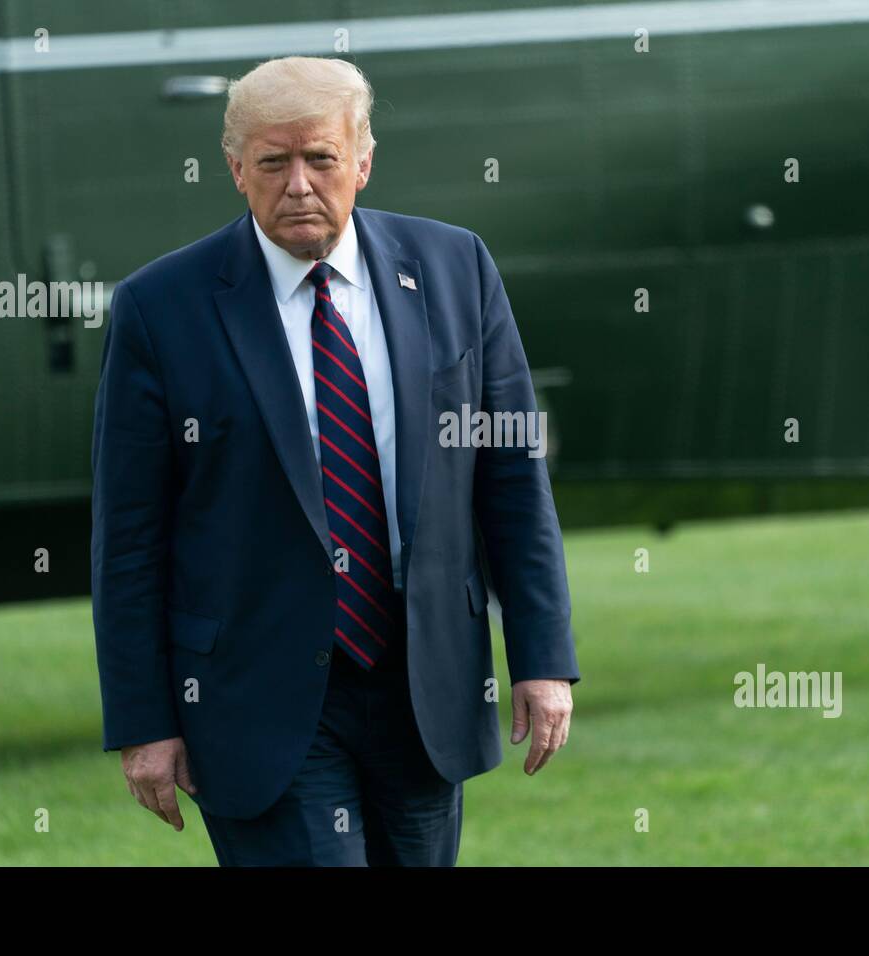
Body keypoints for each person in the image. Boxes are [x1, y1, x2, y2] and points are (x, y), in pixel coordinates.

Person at [91, 55, 580, 866]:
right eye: (273, 162)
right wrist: (145, 719)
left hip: (423, 684)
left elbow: (513, 484)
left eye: (320, 158)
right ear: (235, 168)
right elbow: (130, 536)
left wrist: (543, 657)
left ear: (363, 160)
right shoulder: (160, 307)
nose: (298, 185)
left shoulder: (457, 269)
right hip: (255, 695)